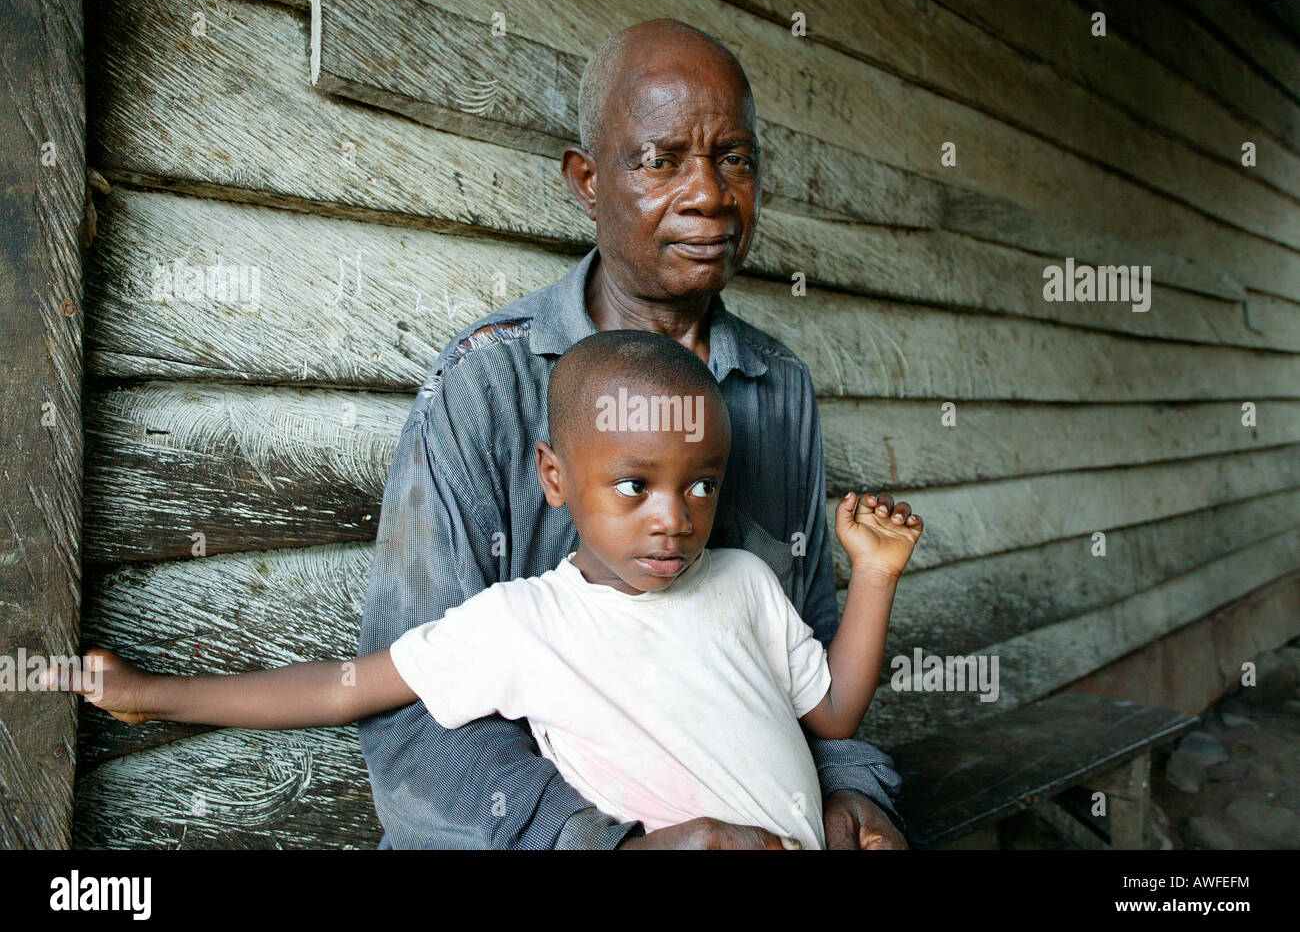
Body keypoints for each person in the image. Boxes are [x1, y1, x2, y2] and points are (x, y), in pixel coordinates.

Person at [360, 16, 916, 849]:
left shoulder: (775, 387)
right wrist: (608, 843)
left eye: (735, 157)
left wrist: (852, 792)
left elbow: (802, 662)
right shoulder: (489, 383)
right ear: (587, 181)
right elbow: (407, 707)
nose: (711, 194)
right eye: (661, 160)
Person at [45, 332, 923, 851]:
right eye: (634, 486)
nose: (675, 517)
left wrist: (874, 576)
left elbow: (833, 714)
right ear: (554, 475)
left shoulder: (742, 581)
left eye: (702, 483)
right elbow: (342, 686)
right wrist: (150, 693)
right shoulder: (523, 624)